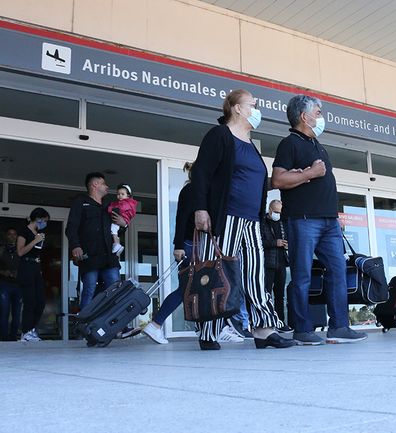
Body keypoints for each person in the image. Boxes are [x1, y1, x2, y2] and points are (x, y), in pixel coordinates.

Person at [190, 89, 295, 350]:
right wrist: (201, 209)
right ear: (236, 108)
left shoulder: (249, 143)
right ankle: (209, 332)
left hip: (252, 221)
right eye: (253, 105)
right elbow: (202, 174)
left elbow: (254, 180)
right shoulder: (219, 136)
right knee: (217, 273)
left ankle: (263, 330)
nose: (257, 110)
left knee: (256, 275)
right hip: (226, 218)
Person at [271, 94, 367, 346]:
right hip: (303, 220)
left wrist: (335, 216)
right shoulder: (289, 143)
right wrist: (311, 173)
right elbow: (278, 180)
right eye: (318, 112)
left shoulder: (317, 145)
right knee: (302, 275)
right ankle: (302, 330)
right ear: (304, 116)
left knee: (338, 270)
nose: (321, 117)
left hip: (329, 222)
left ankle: (339, 327)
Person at [141, 162, 234, 344]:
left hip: (195, 245)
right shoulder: (193, 190)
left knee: (198, 289)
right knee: (193, 288)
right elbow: (181, 218)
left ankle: (212, 329)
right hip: (192, 245)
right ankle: (157, 324)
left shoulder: (197, 190)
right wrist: (178, 245)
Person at [66, 172, 126, 309]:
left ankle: (118, 327)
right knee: (89, 290)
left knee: (116, 290)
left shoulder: (109, 206)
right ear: (95, 184)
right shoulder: (80, 202)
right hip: (90, 256)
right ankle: (85, 327)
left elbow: (117, 229)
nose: (107, 187)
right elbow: (71, 227)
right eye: (104, 183)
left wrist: (124, 224)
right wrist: (75, 246)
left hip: (109, 257)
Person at [16, 208, 50, 342]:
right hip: (26, 266)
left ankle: (31, 329)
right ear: (38, 218)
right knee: (29, 301)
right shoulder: (24, 231)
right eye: (44, 220)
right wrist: (35, 241)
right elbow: (20, 252)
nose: (44, 223)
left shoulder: (39, 233)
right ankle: (25, 332)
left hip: (36, 267)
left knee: (40, 301)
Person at [261, 199, 293, 333]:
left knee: (280, 295)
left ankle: (280, 323)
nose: (278, 214)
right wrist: (276, 243)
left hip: (281, 262)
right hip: (267, 263)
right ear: (269, 210)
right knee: (266, 294)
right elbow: (259, 242)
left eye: (280, 212)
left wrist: (287, 244)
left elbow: (288, 238)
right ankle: (266, 323)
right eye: (276, 212)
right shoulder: (262, 222)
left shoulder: (282, 223)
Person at [0, 228, 21, 341]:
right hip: (4, 284)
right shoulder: (1, 250)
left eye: (14, 234)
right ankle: (4, 338)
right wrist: (4, 272)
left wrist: (19, 273)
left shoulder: (20, 250)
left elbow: (26, 267)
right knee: (4, 311)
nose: (12, 236)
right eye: (9, 234)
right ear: (6, 236)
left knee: (17, 313)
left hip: (18, 285)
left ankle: (13, 337)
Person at [107, 183, 138, 256]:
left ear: (128, 195)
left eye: (122, 194)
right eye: (118, 194)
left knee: (113, 229)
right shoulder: (123, 203)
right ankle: (117, 245)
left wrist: (110, 209)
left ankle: (117, 244)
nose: (120, 195)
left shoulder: (127, 203)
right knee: (115, 232)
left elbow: (120, 208)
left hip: (123, 218)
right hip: (122, 218)